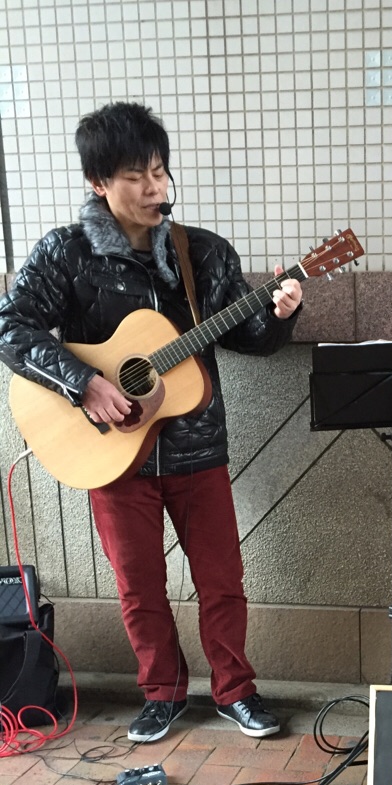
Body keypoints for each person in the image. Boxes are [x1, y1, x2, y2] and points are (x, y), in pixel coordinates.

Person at [0, 102, 303, 743]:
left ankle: (236, 691)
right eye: (136, 176)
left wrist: (280, 313)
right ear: (98, 182)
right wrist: (84, 383)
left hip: (198, 448)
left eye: (160, 172)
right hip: (110, 453)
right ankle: (161, 693)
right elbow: (12, 328)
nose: (154, 187)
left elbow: (251, 338)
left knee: (222, 582)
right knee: (138, 586)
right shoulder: (66, 253)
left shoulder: (205, 253)